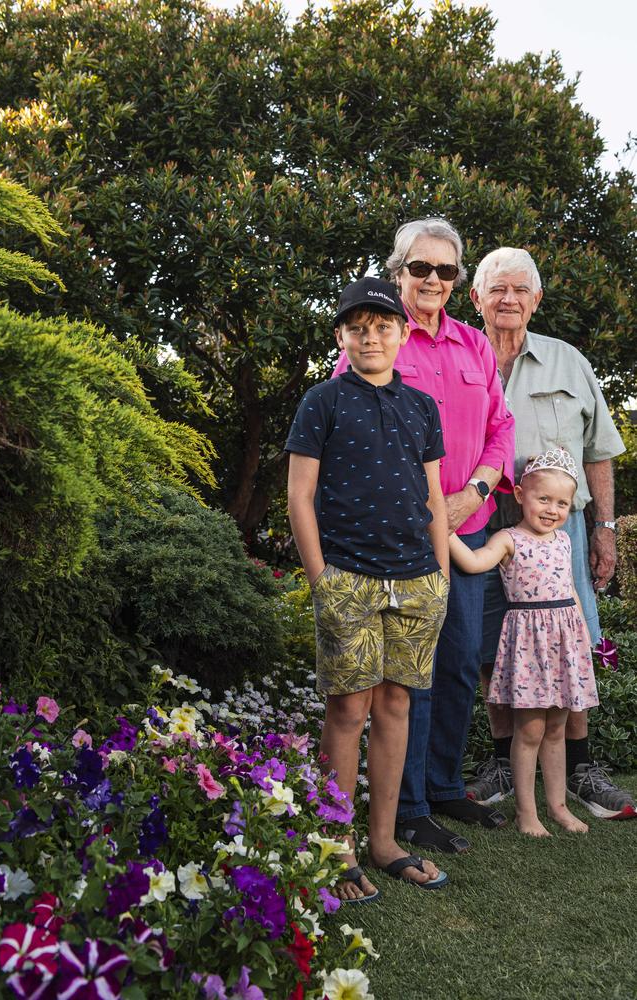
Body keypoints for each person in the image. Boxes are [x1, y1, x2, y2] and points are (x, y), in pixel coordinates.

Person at [333, 219, 516, 854]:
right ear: (398, 272)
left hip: (468, 526)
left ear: (457, 279)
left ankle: (442, 785)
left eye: (445, 271)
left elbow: (502, 424)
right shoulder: (378, 340)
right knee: (410, 677)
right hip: (403, 543)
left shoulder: (474, 345)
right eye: (420, 268)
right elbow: (350, 432)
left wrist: (480, 489)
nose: (433, 280)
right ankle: (406, 808)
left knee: (462, 662)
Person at [286, 276, 451, 901]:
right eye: (357, 328)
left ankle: (383, 842)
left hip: (416, 581)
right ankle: (338, 846)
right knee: (349, 708)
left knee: (396, 706)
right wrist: (321, 579)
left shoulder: (421, 407)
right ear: (342, 337)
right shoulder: (322, 402)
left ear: (403, 334)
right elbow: (300, 495)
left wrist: (437, 574)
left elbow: (435, 496)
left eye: (382, 326)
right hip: (348, 578)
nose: (371, 336)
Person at [465, 247, 635, 821]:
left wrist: (604, 526)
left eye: (520, 290)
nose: (508, 299)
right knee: (491, 641)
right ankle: (500, 762)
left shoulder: (569, 362)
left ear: (536, 300)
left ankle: (581, 765)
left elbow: (599, 454)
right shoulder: (460, 356)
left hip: (561, 530)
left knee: (575, 638)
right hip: (482, 522)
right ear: (477, 299)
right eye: (497, 289)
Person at [450, 448, 597, 836]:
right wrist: (444, 530)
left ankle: (559, 806)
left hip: (564, 643)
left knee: (556, 729)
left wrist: (581, 637)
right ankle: (526, 814)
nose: (552, 509)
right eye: (543, 499)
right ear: (519, 495)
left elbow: (571, 591)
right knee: (529, 729)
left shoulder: (564, 541)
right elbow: (474, 562)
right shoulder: (508, 539)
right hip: (529, 643)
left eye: (561, 502)